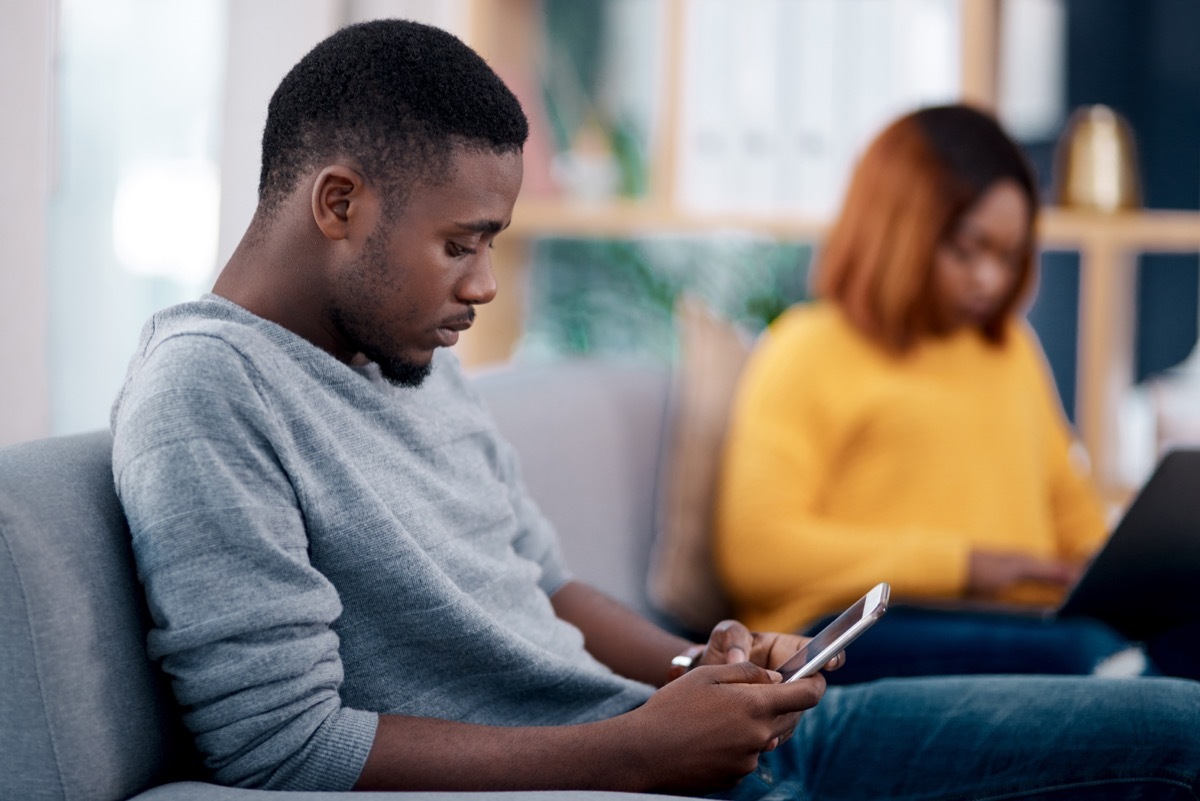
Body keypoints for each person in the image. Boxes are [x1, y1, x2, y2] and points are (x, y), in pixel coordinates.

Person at [110, 20, 1200, 798]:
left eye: (493, 243)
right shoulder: (210, 389)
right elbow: (280, 741)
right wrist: (638, 752)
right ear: (339, 202)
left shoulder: (402, 350)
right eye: (461, 243)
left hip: (719, 750)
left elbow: (547, 585)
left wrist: (700, 666)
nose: (484, 286)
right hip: (643, 772)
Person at [713, 104, 1183, 683]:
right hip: (849, 632)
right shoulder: (807, 347)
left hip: (1018, 621)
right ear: (897, 231)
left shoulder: (1010, 349)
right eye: (967, 250)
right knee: (1082, 654)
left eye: (1008, 256)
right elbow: (757, 551)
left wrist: (1122, 572)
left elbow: (1071, 512)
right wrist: (966, 566)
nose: (991, 279)